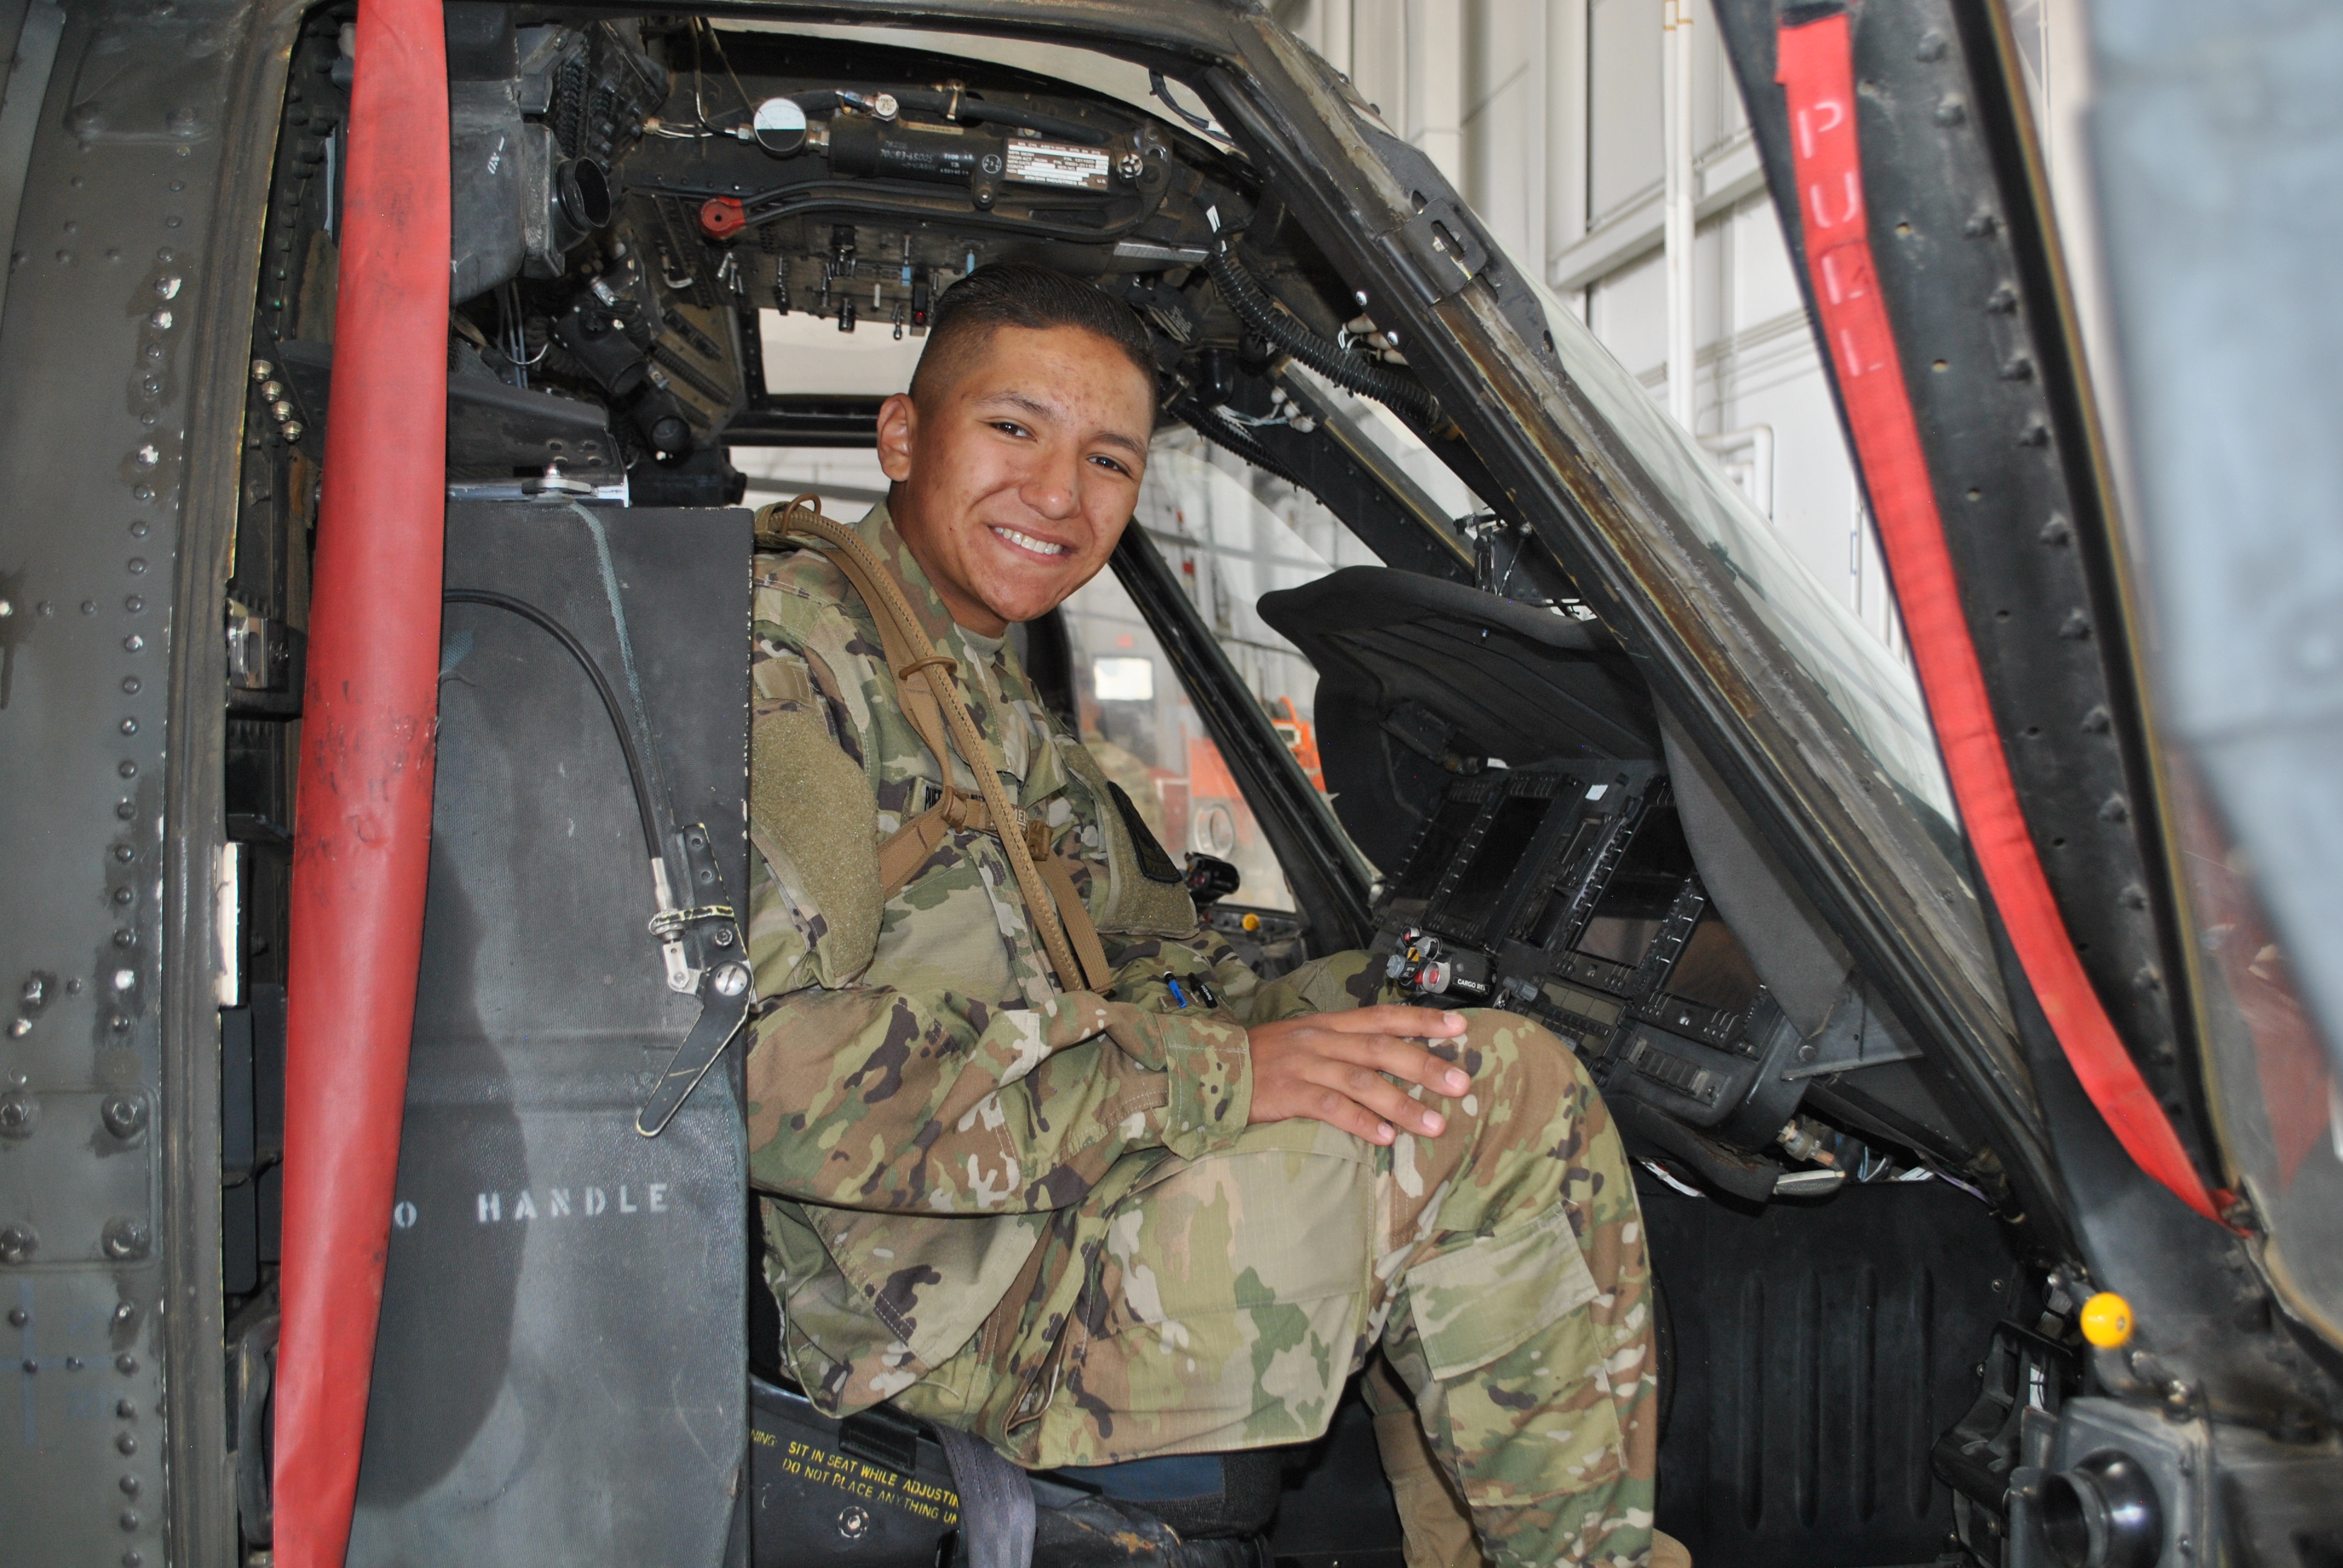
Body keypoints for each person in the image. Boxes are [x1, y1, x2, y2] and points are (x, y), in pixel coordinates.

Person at [742, 262, 1660, 1566]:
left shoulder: (958, 677)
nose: (1059, 496)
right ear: (903, 435)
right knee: (1497, 1102)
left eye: (1107, 459)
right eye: (1013, 429)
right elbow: (770, 1076)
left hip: (1027, 1218)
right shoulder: (792, 657)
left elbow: (1137, 952)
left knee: (1420, 1037)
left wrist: (1327, 1005)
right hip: (952, 1311)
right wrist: (1224, 1074)